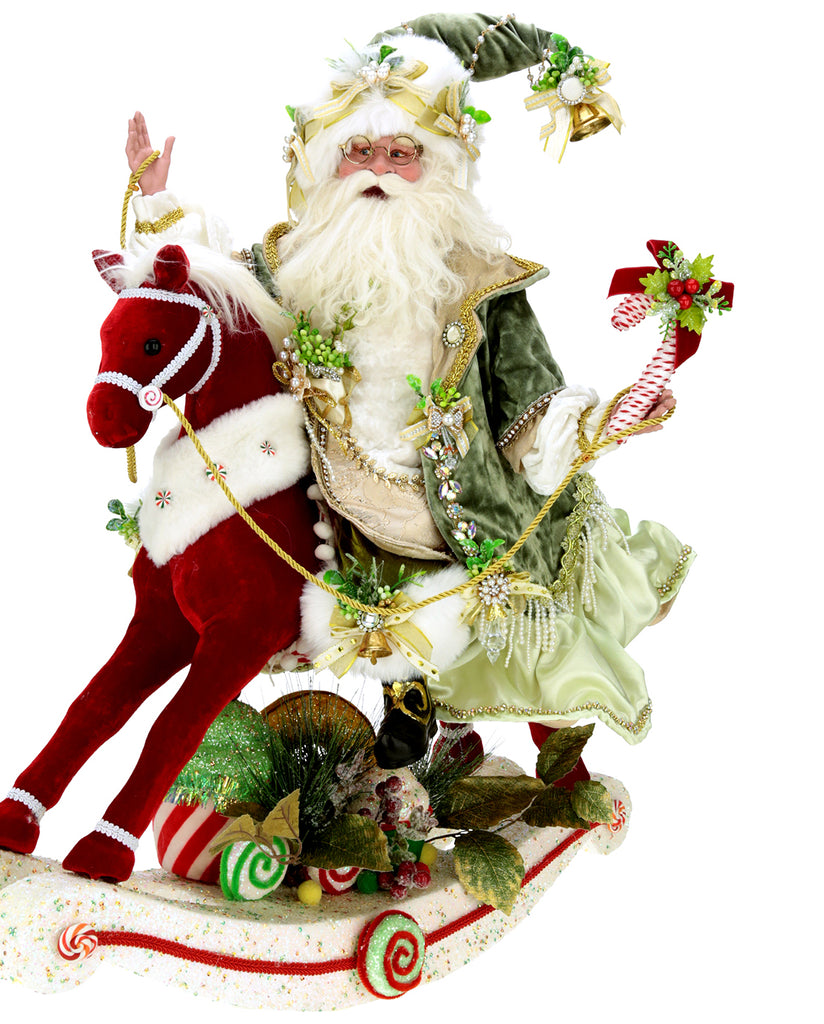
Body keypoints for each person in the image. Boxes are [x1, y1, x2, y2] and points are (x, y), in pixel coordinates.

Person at [121, 14, 688, 775]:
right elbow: (207, 289)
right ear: (330, 163)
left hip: (463, 497)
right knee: (368, 603)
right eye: (359, 152)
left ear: (439, 167)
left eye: (401, 154)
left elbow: (530, 391)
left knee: (531, 635)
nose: (378, 171)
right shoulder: (295, 265)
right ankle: (408, 712)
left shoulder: (480, 278)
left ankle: (562, 775)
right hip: (339, 500)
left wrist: (594, 423)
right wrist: (160, 205)